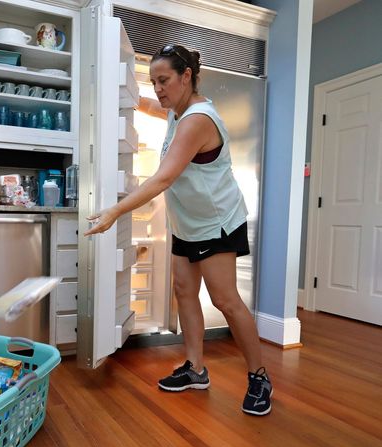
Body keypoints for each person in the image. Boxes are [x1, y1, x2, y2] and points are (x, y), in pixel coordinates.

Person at [84, 44, 272, 416]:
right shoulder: (177, 111)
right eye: (154, 81)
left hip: (217, 223)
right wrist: (121, 94)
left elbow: (165, 177)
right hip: (187, 222)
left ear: (187, 76)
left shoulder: (197, 120)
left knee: (226, 301)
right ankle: (196, 369)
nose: (159, 89)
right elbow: (152, 106)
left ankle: (259, 376)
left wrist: (115, 212)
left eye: (164, 80)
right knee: (184, 292)